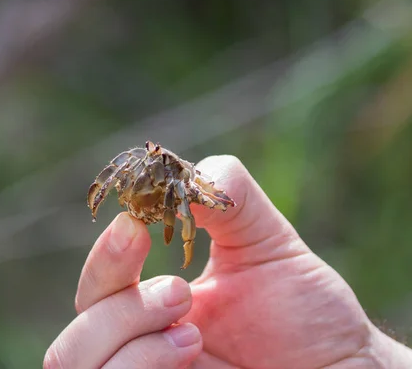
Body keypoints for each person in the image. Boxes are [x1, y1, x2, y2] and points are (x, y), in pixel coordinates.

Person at [44, 155, 412, 368]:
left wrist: (364, 357)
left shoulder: (177, 182)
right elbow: (120, 166)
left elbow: (187, 203)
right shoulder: (139, 164)